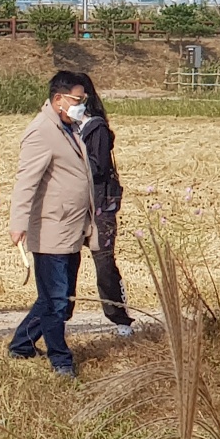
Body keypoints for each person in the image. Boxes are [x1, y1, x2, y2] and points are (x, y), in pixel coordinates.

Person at [8, 71, 99, 377]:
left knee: (60, 298)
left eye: (83, 100)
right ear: (58, 99)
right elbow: (26, 182)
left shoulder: (69, 127)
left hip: (72, 228)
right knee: (56, 300)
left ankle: (22, 344)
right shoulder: (41, 131)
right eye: (77, 99)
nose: (80, 105)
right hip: (50, 229)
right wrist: (17, 223)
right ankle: (61, 359)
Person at [76, 73, 135, 337]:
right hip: (74, 203)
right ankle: (60, 313)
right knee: (65, 260)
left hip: (99, 203)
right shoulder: (64, 126)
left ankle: (119, 317)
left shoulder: (95, 127)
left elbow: (97, 167)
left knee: (103, 261)